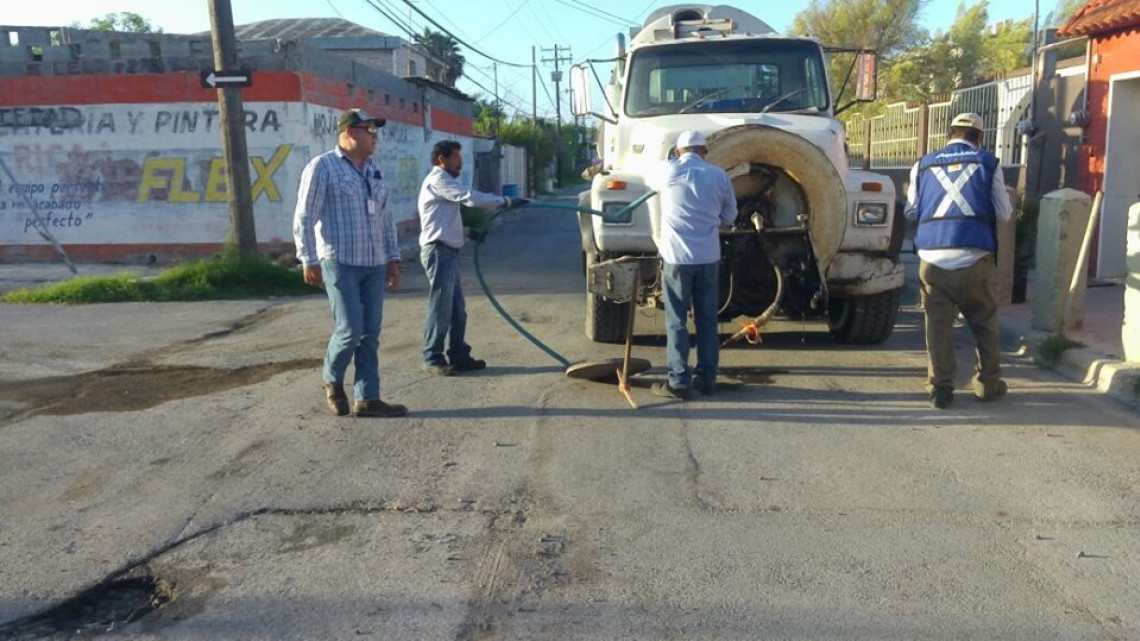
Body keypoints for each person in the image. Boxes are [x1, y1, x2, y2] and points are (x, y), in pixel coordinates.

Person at [293, 108, 407, 418]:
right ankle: (332, 379)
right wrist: (308, 258)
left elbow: (386, 218)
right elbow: (305, 216)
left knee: (370, 332)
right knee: (350, 329)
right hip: (339, 262)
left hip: (374, 263)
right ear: (350, 133)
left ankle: (367, 398)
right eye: (370, 130)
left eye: (375, 131)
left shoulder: (373, 170)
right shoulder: (323, 168)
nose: (375, 137)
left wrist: (393, 258)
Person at [906, 112, 1013, 409]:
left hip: (931, 258)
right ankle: (987, 385)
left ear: (949, 134)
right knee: (984, 321)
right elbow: (1004, 213)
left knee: (937, 326)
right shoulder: (988, 163)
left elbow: (912, 211)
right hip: (975, 256)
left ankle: (940, 388)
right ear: (979, 138)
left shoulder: (922, 164)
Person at [418, 140, 521, 376]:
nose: (460, 163)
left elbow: (441, 221)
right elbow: (470, 198)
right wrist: (505, 201)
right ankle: (432, 357)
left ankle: (459, 355)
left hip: (447, 250)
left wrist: (468, 232)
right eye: (456, 158)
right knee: (441, 308)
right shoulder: (438, 180)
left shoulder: (444, 183)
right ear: (442, 159)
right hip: (438, 251)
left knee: (456, 309)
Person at [650, 130, 738, 399]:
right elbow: (730, 216)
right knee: (707, 318)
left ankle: (678, 381)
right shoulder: (719, 176)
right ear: (705, 151)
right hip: (708, 257)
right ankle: (707, 379)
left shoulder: (667, 172)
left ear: (678, 152)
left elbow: (647, 178)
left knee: (676, 319)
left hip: (677, 259)